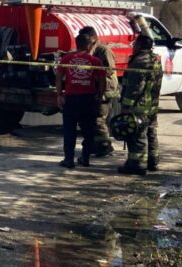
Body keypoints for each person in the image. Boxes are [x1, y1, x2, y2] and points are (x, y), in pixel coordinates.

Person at [56, 34, 105, 169]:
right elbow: (102, 80)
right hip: (88, 99)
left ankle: (69, 159)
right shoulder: (95, 61)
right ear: (89, 45)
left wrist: (59, 95)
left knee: (69, 131)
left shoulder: (66, 59)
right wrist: (100, 95)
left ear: (76, 44)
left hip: (71, 99)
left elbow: (59, 77)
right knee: (88, 131)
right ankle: (85, 157)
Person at [118, 34, 163, 176]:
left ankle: (136, 164)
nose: (133, 47)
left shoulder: (139, 62)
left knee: (138, 134)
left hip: (140, 105)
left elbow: (135, 87)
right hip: (152, 104)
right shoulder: (155, 59)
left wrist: (126, 106)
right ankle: (153, 161)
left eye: (135, 44)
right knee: (151, 132)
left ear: (140, 46)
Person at [78, 26, 118, 157]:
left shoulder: (103, 50)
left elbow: (109, 70)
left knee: (99, 119)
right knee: (93, 119)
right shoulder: (90, 49)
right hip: (95, 88)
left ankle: (105, 147)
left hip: (106, 89)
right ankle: (97, 146)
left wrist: (91, 71)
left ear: (92, 38)